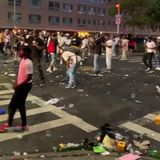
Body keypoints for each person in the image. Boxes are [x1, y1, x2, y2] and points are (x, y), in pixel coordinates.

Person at [0, 45, 33, 132]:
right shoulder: (22, 60)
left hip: (24, 87)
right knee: (21, 106)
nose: (19, 52)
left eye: (21, 51)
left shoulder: (28, 62)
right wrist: (16, 81)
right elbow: (20, 73)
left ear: (26, 53)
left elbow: (29, 77)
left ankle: (9, 124)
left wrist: (19, 85)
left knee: (12, 106)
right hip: (21, 86)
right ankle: (24, 125)